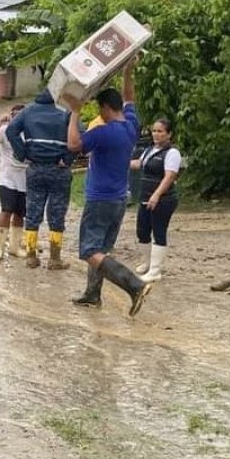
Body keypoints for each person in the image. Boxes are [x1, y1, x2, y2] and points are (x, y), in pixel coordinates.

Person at [62, 61, 152, 315]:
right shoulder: (131, 125)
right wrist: (128, 71)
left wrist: (75, 112)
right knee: (101, 249)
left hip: (100, 199)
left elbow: (73, 144)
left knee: (90, 251)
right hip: (119, 199)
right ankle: (92, 294)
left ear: (104, 108)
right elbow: (130, 96)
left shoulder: (105, 132)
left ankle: (135, 285)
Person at [6, 89, 76, 269]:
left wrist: (22, 153)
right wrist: (67, 158)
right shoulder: (65, 113)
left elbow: (11, 131)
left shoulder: (27, 111)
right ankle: (54, 259)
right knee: (57, 213)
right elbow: (78, 136)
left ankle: (31, 256)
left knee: (33, 212)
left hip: (35, 168)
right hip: (59, 170)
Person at [131, 118, 181, 282]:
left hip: (163, 200)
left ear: (169, 134)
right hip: (145, 198)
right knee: (142, 231)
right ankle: (147, 262)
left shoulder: (172, 153)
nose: (156, 134)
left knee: (159, 232)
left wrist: (157, 195)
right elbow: (139, 164)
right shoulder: (149, 150)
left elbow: (170, 176)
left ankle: (155, 270)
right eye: (154, 130)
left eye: (160, 131)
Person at [0, 104, 27, 260]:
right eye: (15, 114)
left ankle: (14, 247)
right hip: (7, 179)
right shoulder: (6, 131)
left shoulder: (30, 133)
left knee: (19, 214)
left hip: (25, 179)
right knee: (6, 211)